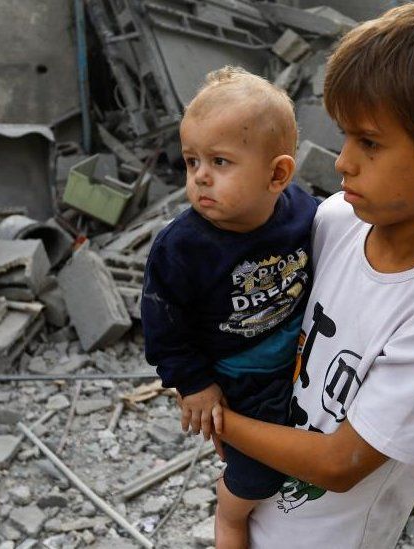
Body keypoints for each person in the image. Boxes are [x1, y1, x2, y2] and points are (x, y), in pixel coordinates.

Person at [210, 3, 414, 547]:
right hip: (256, 497)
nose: (342, 162)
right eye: (345, 136)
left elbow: (340, 463)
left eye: (369, 143)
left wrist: (218, 419)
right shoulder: (338, 221)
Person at [141, 66, 319, 548]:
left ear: (277, 174)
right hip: (240, 379)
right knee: (259, 473)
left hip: (303, 356)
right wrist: (194, 384)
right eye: (191, 161)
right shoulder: (182, 248)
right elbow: (164, 326)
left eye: (220, 162)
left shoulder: (304, 214)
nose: (200, 176)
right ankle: (231, 516)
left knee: (310, 449)